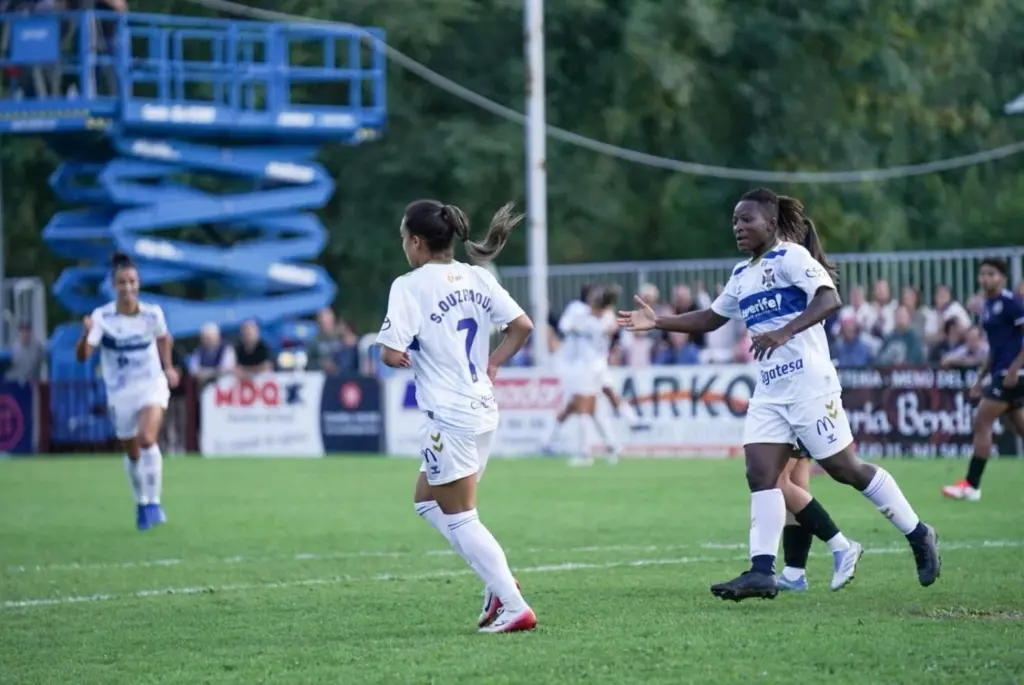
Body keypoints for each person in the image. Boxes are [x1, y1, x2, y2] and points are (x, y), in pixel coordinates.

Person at [618, 188, 940, 601]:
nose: (738, 226)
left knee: (845, 469)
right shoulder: (741, 274)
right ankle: (762, 571)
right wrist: (658, 320)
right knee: (760, 473)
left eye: (747, 219)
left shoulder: (791, 258)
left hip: (810, 385)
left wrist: (785, 330)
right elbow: (711, 319)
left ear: (771, 224)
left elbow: (829, 298)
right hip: (771, 391)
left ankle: (918, 533)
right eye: (735, 220)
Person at [376, 199, 537, 633]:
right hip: (482, 409)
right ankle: (496, 582)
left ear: (415, 241)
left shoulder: (409, 285)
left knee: (461, 515)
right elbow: (522, 326)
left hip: (449, 416)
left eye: (403, 240)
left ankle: (513, 602)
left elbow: (391, 352)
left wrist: (405, 356)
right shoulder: (477, 276)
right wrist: (495, 363)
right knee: (426, 501)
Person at [75, 251, 179, 530]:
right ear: (114, 286)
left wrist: (168, 367)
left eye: (132, 282)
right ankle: (142, 502)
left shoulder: (152, 314)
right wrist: (85, 334)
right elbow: (83, 356)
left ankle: (154, 502)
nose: (128, 288)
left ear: (139, 284)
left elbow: (164, 338)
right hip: (120, 392)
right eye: (122, 283)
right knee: (132, 452)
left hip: (150, 385)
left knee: (147, 438)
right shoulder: (102, 317)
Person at [942, 258, 1024, 501]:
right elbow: (994, 349)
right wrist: (980, 378)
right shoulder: (988, 305)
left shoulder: (1012, 303)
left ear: (1002, 277)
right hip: (1001, 372)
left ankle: (971, 486)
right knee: (1020, 427)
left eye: (991, 274)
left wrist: (1013, 370)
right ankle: (971, 486)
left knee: (982, 420)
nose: (985, 278)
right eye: (982, 274)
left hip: (1013, 375)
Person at [550, 285, 623, 466]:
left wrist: (579, 326)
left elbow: (609, 329)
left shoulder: (600, 318)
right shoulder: (584, 312)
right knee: (593, 410)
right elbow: (565, 326)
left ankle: (584, 453)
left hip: (588, 367)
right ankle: (612, 446)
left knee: (582, 408)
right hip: (581, 367)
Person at [777, 444, 861, 592]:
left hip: (791, 422)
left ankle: (842, 546)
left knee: (777, 481)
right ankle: (794, 572)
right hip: (796, 423)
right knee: (794, 487)